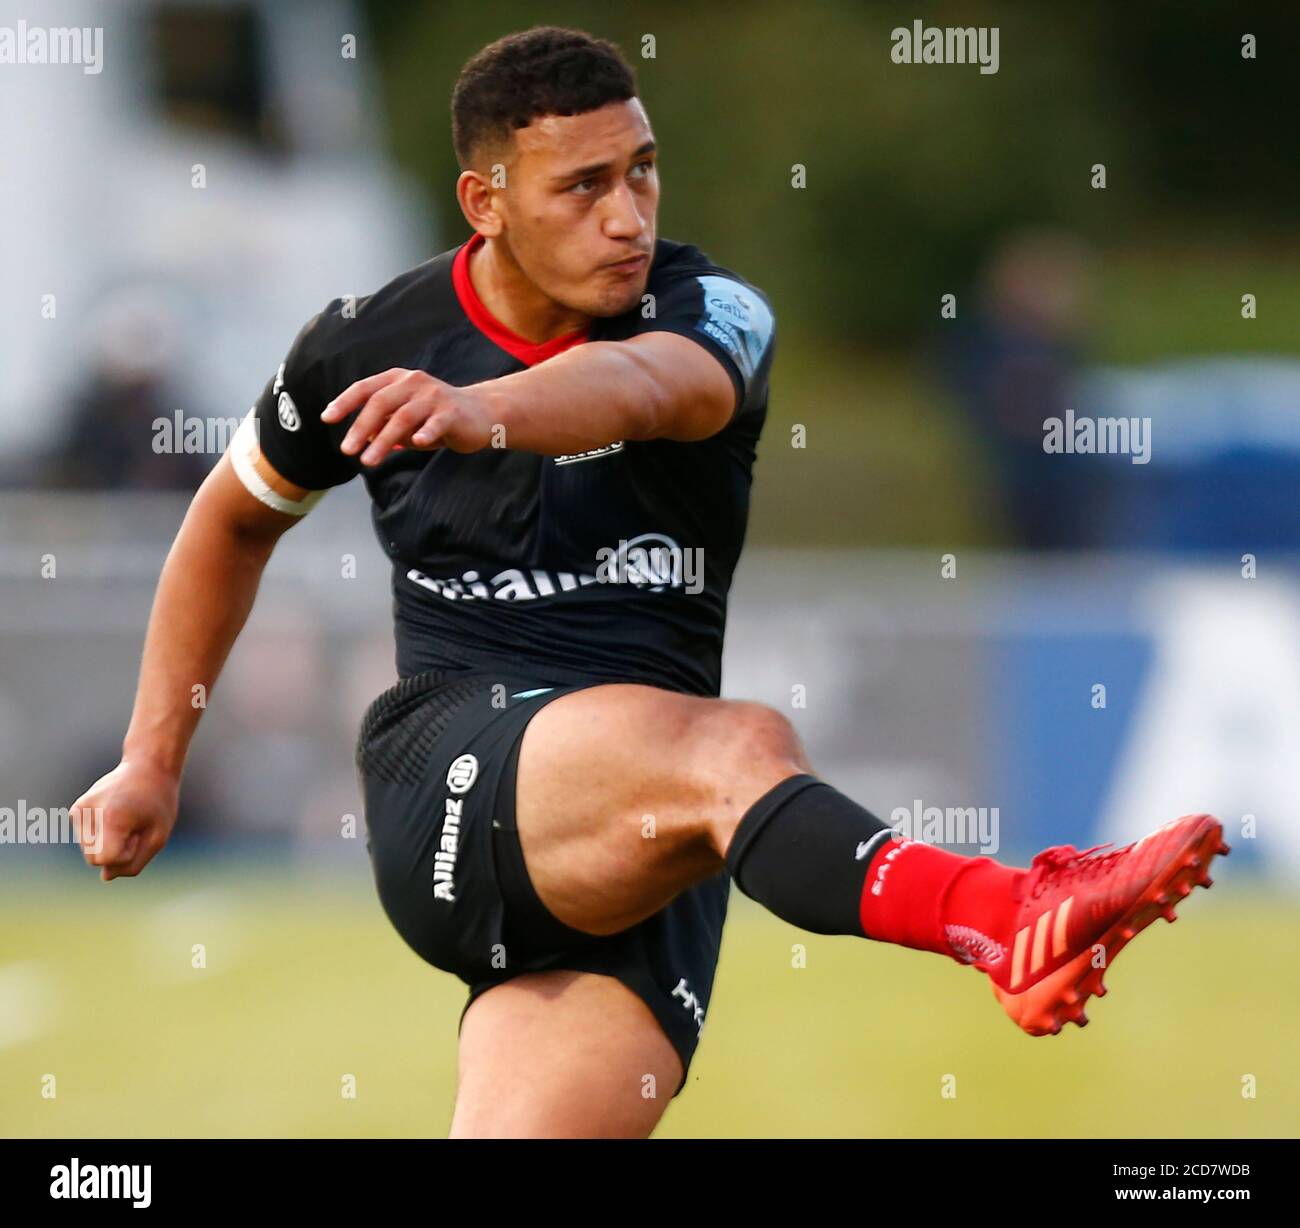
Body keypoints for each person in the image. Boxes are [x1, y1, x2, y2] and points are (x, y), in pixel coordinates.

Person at [70, 27, 1228, 1139]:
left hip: (642, 836)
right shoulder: (363, 341)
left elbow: (642, 386)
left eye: (642, 172)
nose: (626, 216)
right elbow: (230, 519)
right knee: (740, 743)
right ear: (486, 205)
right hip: (456, 776)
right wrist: (153, 758)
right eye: (581, 187)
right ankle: (1006, 914)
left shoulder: (710, 311)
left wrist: (487, 414)